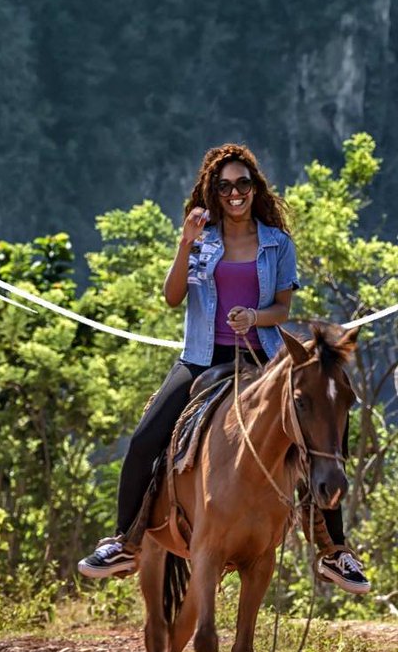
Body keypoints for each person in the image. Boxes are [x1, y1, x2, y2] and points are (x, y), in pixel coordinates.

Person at [78, 143, 369, 595]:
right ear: (212, 191)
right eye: (225, 185)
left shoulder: (277, 243)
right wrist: (184, 243)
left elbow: (282, 308)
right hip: (201, 357)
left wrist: (254, 317)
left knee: (325, 423)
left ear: (255, 188)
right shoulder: (203, 239)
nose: (235, 193)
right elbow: (173, 297)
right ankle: (125, 542)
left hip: (263, 360)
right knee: (144, 438)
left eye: (243, 184)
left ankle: (335, 551)